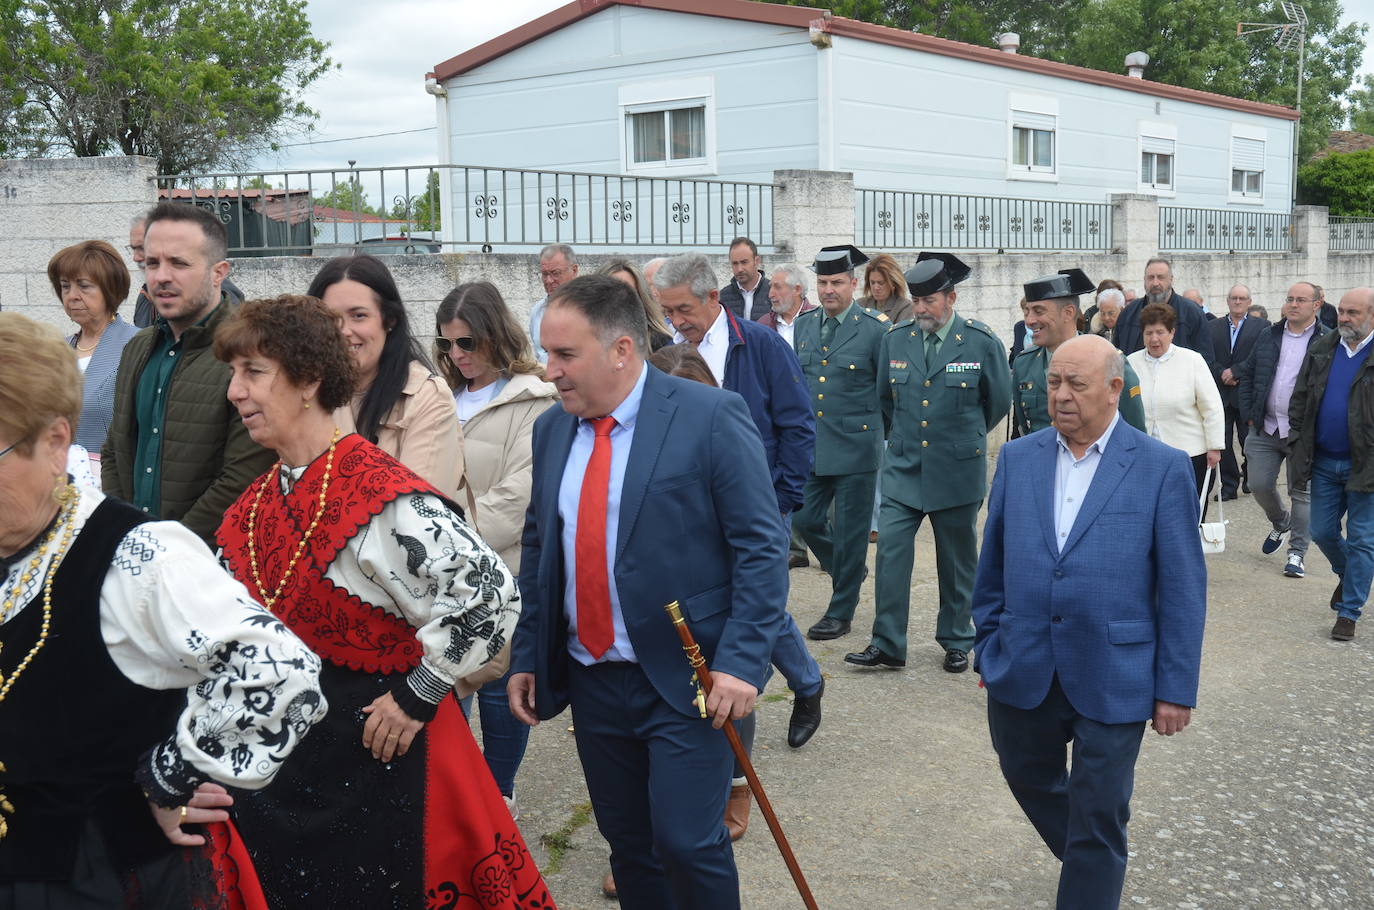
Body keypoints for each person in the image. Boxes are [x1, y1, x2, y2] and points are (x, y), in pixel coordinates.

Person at [213, 295, 550, 907]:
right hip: (288, 785)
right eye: (233, 373)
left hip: (386, 770)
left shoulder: (383, 498)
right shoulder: (253, 507)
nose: (236, 391)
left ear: (310, 379)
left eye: (253, 372)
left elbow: (491, 596)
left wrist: (417, 695)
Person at [0, 311, 325, 907]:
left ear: (54, 443)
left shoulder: (137, 556)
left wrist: (171, 772)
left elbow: (279, 670)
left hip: (86, 879)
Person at [509, 274, 786, 910]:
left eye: (564, 355)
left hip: (691, 678)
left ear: (622, 350)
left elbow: (761, 547)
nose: (549, 371)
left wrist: (742, 663)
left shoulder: (709, 417)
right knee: (630, 845)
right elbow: (539, 550)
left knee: (688, 842)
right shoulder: (553, 431)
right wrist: (528, 653)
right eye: (546, 353)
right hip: (594, 680)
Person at [973, 334, 1207, 910]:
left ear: (1114, 389)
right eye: (1054, 382)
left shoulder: (1161, 467)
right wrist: (987, 643)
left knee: (1101, 811)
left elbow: (1182, 587)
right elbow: (993, 561)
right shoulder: (1019, 458)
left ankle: (1092, 870)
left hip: (1115, 671)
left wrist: (1175, 688)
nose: (1061, 395)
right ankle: (1094, 857)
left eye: (1076, 384)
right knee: (1028, 779)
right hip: (1024, 662)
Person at [655, 253, 822, 760]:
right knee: (741, 600)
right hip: (699, 508)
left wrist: (781, 501)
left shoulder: (763, 344)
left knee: (754, 597)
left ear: (712, 297)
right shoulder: (668, 354)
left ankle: (802, 687)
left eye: (683, 309)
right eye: (668, 312)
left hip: (763, 501)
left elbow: (797, 425)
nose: (676, 322)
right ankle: (808, 681)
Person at [435, 281, 559, 818]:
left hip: (502, 572)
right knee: (447, 692)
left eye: (468, 344)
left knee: (500, 693)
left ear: (495, 335)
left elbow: (523, 491)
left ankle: (499, 796)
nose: (458, 356)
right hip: (438, 580)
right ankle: (465, 803)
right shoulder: (438, 398)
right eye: (448, 346)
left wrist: (444, 538)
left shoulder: (534, 399)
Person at [852, 251, 1010, 673]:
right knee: (891, 553)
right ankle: (887, 642)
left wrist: (958, 438)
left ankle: (958, 639)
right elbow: (887, 400)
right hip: (904, 467)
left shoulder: (980, 341)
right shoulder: (896, 339)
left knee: (957, 560)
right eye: (917, 301)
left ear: (951, 298)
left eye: (930, 301)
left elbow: (997, 403)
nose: (921, 309)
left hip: (957, 469)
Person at [101, 202, 274, 544]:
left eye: (179, 263)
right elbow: (115, 451)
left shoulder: (250, 354)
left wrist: (168, 548)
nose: (161, 276)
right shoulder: (137, 348)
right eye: (152, 263)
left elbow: (244, 476)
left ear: (218, 272)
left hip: (210, 569)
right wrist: (127, 534)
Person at [791, 245, 889, 643]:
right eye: (822, 282)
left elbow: (887, 393)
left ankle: (840, 609)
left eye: (836, 282)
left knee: (851, 534)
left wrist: (882, 441)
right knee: (804, 519)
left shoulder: (875, 328)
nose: (828, 290)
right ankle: (848, 569)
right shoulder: (804, 325)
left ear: (853, 284)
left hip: (856, 449)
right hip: (816, 447)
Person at [309, 254, 463, 496]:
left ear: (389, 320)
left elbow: (415, 510)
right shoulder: (306, 395)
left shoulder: (427, 398)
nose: (344, 331)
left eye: (358, 316)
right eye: (331, 319)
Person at [1287, 287, 1374, 642]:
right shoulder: (1323, 348)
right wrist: (1296, 438)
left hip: (1365, 465)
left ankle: (1349, 612)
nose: (1344, 318)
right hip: (1323, 460)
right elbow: (1301, 397)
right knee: (1321, 531)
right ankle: (1348, 574)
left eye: (1353, 313)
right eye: (1343, 312)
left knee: (1363, 541)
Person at [1235, 283, 1329, 578]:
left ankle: (1297, 553)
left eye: (1301, 300)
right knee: (1258, 483)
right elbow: (1248, 374)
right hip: (1265, 427)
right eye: (1289, 299)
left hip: (1304, 433)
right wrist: (1250, 413)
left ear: (1317, 305)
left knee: (1301, 493)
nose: (1293, 304)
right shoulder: (1269, 334)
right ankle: (1280, 522)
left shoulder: (1328, 341)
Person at [1012, 269, 1146, 438]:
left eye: (1039, 311)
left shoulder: (1108, 359)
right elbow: (1023, 428)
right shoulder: (1024, 363)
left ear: (1068, 312)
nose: (1029, 320)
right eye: (1027, 312)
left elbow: (1134, 432)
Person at [47, 240, 138, 458]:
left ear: (111, 289)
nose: (72, 296)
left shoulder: (137, 344)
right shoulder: (57, 350)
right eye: (65, 286)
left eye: (84, 286)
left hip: (115, 478)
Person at [1126, 304, 1224, 497]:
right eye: (1149, 333)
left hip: (1189, 454)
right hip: (1144, 454)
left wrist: (1214, 446)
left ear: (1172, 333)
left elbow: (1212, 407)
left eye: (1160, 332)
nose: (1154, 339)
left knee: (1189, 513)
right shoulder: (1130, 363)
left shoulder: (1192, 360)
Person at [1207, 285, 1265, 499]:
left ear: (1249, 302)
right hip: (1221, 393)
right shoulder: (1213, 327)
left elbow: (1260, 355)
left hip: (1246, 392)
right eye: (1234, 298)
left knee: (1248, 440)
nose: (1238, 302)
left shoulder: (1262, 327)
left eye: (1242, 298)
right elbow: (1208, 356)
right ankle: (1229, 486)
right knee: (1222, 442)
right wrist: (1222, 372)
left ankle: (1250, 477)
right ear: (1227, 301)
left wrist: (1237, 371)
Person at [1112, 258, 1214, 371]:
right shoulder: (1128, 314)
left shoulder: (1192, 313)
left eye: (1161, 277)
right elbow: (1118, 355)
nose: (1155, 283)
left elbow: (1206, 359)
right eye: (1151, 277)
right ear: (1144, 280)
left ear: (1171, 280)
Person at [599, 257, 674, 351]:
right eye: (610, 291)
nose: (618, 299)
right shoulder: (582, 338)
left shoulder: (662, 344)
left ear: (641, 297)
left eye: (629, 293)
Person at [529, 243, 579, 363]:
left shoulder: (589, 307)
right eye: (545, 274)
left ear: (574, 270)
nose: (549, 281)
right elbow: (538, 355)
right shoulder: (537, 311)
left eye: (555, 273)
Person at [759, 262, 817, 349]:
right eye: (770, 287)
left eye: (777, 287)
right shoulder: (763, 324)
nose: (770, 294)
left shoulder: (818, 321)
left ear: (797, 290)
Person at [719, 236, 770, 322]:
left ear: (756, 261)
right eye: (735, 263)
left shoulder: (773, 293)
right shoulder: (722, 297)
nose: (739, 269)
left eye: (744, 262)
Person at [858, 253, 912, 323]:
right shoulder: (860, 305)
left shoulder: (904, 307)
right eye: (872, 282)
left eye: (881, 283)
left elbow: (901, 333)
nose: (876, 287)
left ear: (893, 283)